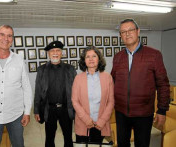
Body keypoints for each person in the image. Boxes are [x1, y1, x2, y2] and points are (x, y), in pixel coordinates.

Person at [111, 18, 170, 147]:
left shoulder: (154, 55)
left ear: (138, 31)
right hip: (121, 113)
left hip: (143, 113)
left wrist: (162, 110)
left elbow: (163, 84)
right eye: (123, 32)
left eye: (130, 30)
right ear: (120, 35)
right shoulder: (118, 57)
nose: (127, 34)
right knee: (122, 144)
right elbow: (112, 81)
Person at [34, 41, 77, 147]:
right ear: (48, 53)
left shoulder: (70, 69)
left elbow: (76, 90)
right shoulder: (41, 70)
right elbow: (38, 91)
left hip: (66, 109)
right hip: (49, 109)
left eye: (58, 50)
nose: (55, 53)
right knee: (49, 138)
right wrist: (36, 110)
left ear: (61, 53)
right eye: (52, 51)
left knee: (68, 137)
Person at [72, 46, 114, 143]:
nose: (91, 59)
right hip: (83, 123)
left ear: (99, 59)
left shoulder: (108, 77)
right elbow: (75, 101)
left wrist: (102, 120)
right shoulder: (78, 78)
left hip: (100, 124)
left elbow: (111, 102)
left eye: (94, 56)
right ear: (84, 60)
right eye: (87, 57)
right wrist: (86, 119)